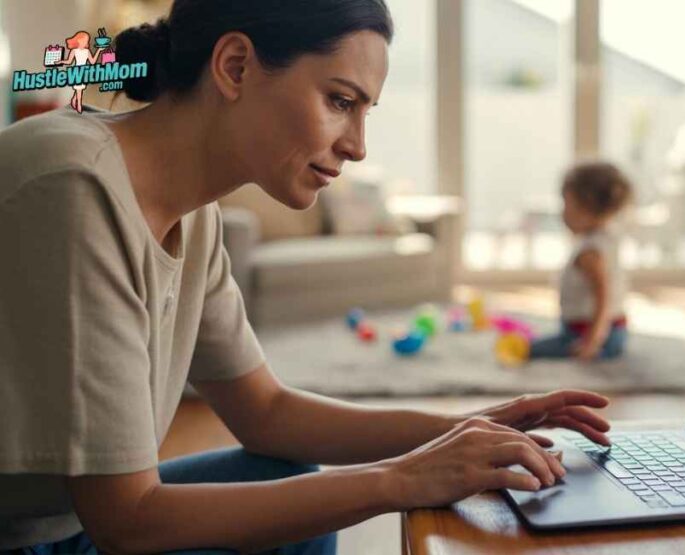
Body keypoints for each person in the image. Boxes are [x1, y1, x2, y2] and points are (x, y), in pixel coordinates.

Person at [0, 1, 612, 552]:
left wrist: (471, 430)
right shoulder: (74, 187)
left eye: (364, 110)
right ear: (235, 66)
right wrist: (402, 479)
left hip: (67, 527)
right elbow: (127, 520)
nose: (359, 147)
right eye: (340, 101)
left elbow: (265, 412)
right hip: (27, 539)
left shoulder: (197, 215)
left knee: (284, 475)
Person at [529, 161, 633, 361]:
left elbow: (604, 297)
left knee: (530, 349)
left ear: (587, 210)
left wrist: (592, 340)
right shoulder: (607, 237)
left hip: (587, 333)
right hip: (612, 330)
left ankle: (596, 348)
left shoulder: (590, 253)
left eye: (566, 204)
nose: (562, 213)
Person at [61, 30, 106, 113]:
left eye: (86, 40)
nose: (85, 42)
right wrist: (60, 61)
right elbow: (69, 61)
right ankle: (78, 107)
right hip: (77, 72)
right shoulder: (74, 51)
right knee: (79, 92)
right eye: (83, 40)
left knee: (78, 92)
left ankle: (75, 104)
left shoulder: (87, 51)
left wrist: (99, 50)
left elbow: (92, 61)